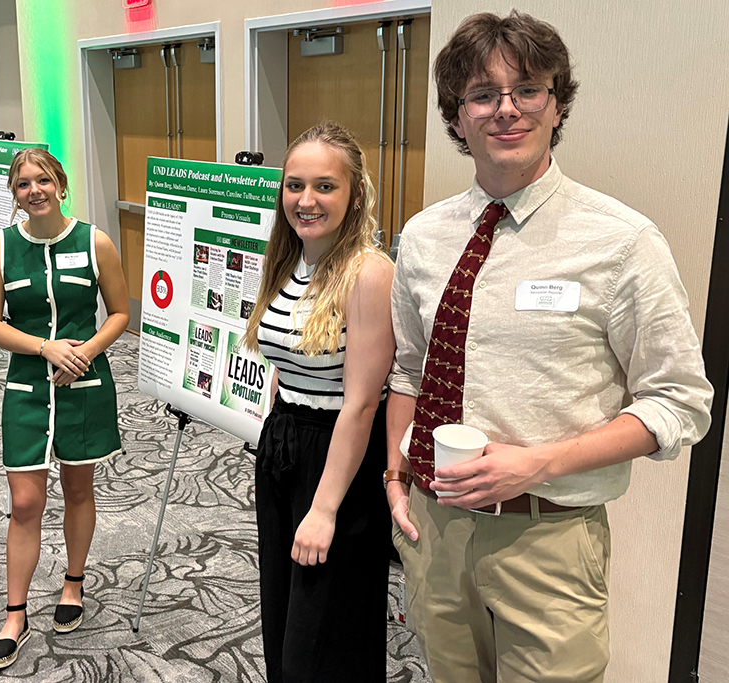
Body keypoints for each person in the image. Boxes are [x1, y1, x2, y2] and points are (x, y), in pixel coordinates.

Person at [386, 11, 713, 683]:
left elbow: (680, 401)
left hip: (549, 537)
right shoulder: (422, 236)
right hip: (433, 530)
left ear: (557, 104)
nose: (506, 109)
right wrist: (397, 479)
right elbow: (409, 371)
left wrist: (536, 464)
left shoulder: (622, 241)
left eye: (528, 89)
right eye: (483, 94)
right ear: (456, 117)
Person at [242, 121, 395, 682]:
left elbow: (362, 404)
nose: (306, 200)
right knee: (283, 611)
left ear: (355, 194)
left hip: (339, 455)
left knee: (325, 629)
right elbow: (285, 362)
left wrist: (325, 508)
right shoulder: (289, 259)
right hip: (284, 443)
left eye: (325, 186)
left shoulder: (368, 273)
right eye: (295, 185)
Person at [0, 148, 128, 669]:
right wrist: (45, 347)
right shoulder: (0, 247)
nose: (34, 190)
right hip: (26, 388)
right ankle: (15, 615)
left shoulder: (95, 241)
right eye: (23, 184)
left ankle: (73, 585)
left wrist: (84, 352)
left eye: (42, 180)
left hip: (84, 385)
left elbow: (120, 313)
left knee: (78, 489)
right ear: (14, 193)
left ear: (60, 184)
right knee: (25, 503)